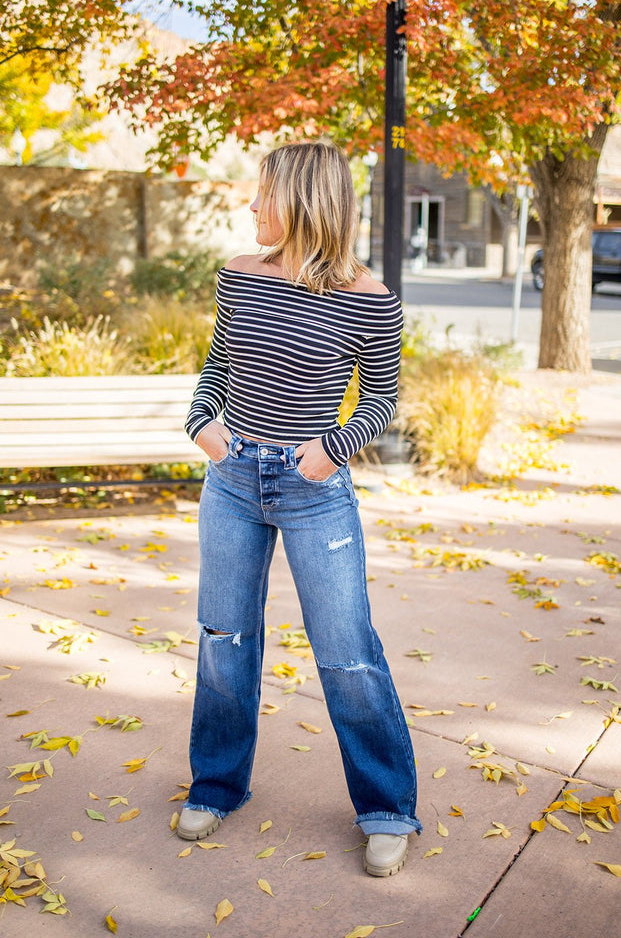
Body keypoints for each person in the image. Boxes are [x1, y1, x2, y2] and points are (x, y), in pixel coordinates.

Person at [178, 141, 422, 876]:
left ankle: (386, 809)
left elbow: (382, 398)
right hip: (232, 481)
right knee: (223, 640)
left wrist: (333, 446)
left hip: (313, 490)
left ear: (305, 203)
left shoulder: (371, 301)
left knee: (349, 656)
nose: (250, 205)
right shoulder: (238, 277)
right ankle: (218, 785)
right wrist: (200, 423)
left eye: (263, 193)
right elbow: (218, 365)